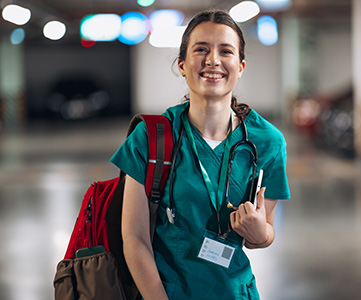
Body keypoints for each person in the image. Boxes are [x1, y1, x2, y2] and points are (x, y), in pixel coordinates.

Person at [111, 9, 290, 300]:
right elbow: (135, 238)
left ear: (240, 66)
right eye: (201, 50)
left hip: (235, 292)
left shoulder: (267, 142)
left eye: (226, 51)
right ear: (182, 64)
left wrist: (260, 234)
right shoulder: (151, 137)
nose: (213, 60)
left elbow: (264, 234)